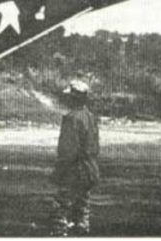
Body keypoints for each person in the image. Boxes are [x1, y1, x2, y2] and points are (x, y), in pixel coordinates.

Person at [50, 80, 100, 236]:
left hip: (73, 170)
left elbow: (67, 150)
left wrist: (59, 170)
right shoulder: (90, 116)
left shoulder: (72, 118)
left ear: (73, 98)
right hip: (89, 168)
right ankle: (81, 231)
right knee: (82, 206)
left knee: (62, 205)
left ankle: (60, 233)